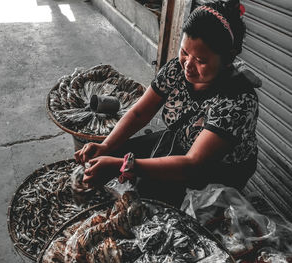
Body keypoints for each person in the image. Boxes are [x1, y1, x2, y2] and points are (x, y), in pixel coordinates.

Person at [75, 0, 261, 207]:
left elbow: (192, 165)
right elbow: (139, 114)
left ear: (227, 59)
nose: (188, 65)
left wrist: (123, 166)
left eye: (201, 60)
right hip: (181, 142)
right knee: (111, 156)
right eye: (184, 52)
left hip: (216, 169)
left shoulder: (238, 101)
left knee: (148, 202)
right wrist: (106, 145)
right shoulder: (176, 69)